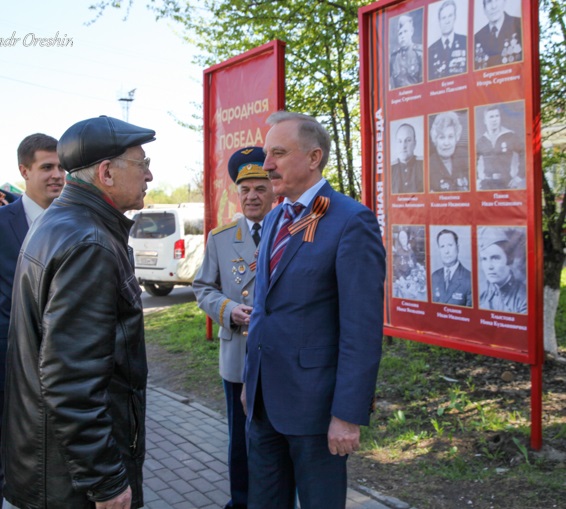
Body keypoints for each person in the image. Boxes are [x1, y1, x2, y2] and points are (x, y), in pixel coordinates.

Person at [1, 116, 155, 509]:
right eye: (142, 163)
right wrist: (106, 480)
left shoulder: (60, 222)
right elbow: (71, 379)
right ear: (106, 173)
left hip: (55, 468)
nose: (149, 175)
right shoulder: (90, 242)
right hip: (73, 483)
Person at [242, 111, 385, 509]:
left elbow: (361, 329)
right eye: (267, 154)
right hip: (264, 403)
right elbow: (264, 308)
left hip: (316, 411)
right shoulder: (276, 216)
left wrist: (347, 414)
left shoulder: (351, 221)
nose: (267, 164)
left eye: (278, 153)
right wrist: (251, 382)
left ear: (313, 157)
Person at [193, 146, 275, 509]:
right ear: (237, 194)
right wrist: (227, 309)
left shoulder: (289, 231)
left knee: (280, 436)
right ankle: (241, 502)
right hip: (239, 354)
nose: (252, 196)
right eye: (245, 190)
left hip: (280, 353)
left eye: (260, 188)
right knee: (241, 438)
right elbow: (202, 288)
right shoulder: (221, 238)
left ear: (273, 190)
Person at [0, 133, 65, 508]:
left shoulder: (72, 223)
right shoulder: (2, 224)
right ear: (24, 171)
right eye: (47, 167)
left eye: (61, 167)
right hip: (9, 369)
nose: (57, 175)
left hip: (62, 372)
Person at [478, 227, 527, 314]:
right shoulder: (482, 294)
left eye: (495, 258)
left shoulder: (524, 298)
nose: (489, 266)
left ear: (509, 259)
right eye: (484, 259)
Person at [476, 105, 525, 190]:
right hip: (487, 184)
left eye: (497, 116)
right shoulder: (482, 140)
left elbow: (524, 152)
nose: (494, 119)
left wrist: (519, 177)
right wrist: (477, 179)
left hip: (506, 183)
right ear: (485, 121)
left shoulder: (510, 136)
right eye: (491, 117)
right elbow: (471, 160)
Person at [474, 0, 522, 69]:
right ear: (484, 8)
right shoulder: (477, 38)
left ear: (504, 2)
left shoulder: (519, 25)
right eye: (489, 2)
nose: (493, 6)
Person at [429, 111, 469, 192]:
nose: (446, 143)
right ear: (435, 139)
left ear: (456, 138)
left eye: (450, 137)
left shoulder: (463, 161)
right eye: (442, 137)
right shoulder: (428, 165)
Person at [431, 229, 472, 306]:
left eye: (450, 245)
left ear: (457, 247)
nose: (446, 251)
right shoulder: (434, 277)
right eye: (442, 246)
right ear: (439, 250)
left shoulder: (470, 279)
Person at [428, 0, 467, 79]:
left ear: (454, 17)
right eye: (443, 18)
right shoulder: (430, 50)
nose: (447, 21)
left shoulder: (465, 41)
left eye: (450, 16)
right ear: (439, 21)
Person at [390, 14, 423, 89]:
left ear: (411, 31)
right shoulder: (394, 57)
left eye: (405, 31)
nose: (402, 36)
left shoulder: (420, 53)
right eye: (400, 33)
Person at [391, 123, 424, 194]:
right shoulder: (390, 169)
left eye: (408, 140)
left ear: (414, 143)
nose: (403, 146)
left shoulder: (424, 165)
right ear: (396, 144)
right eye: (400, 141)